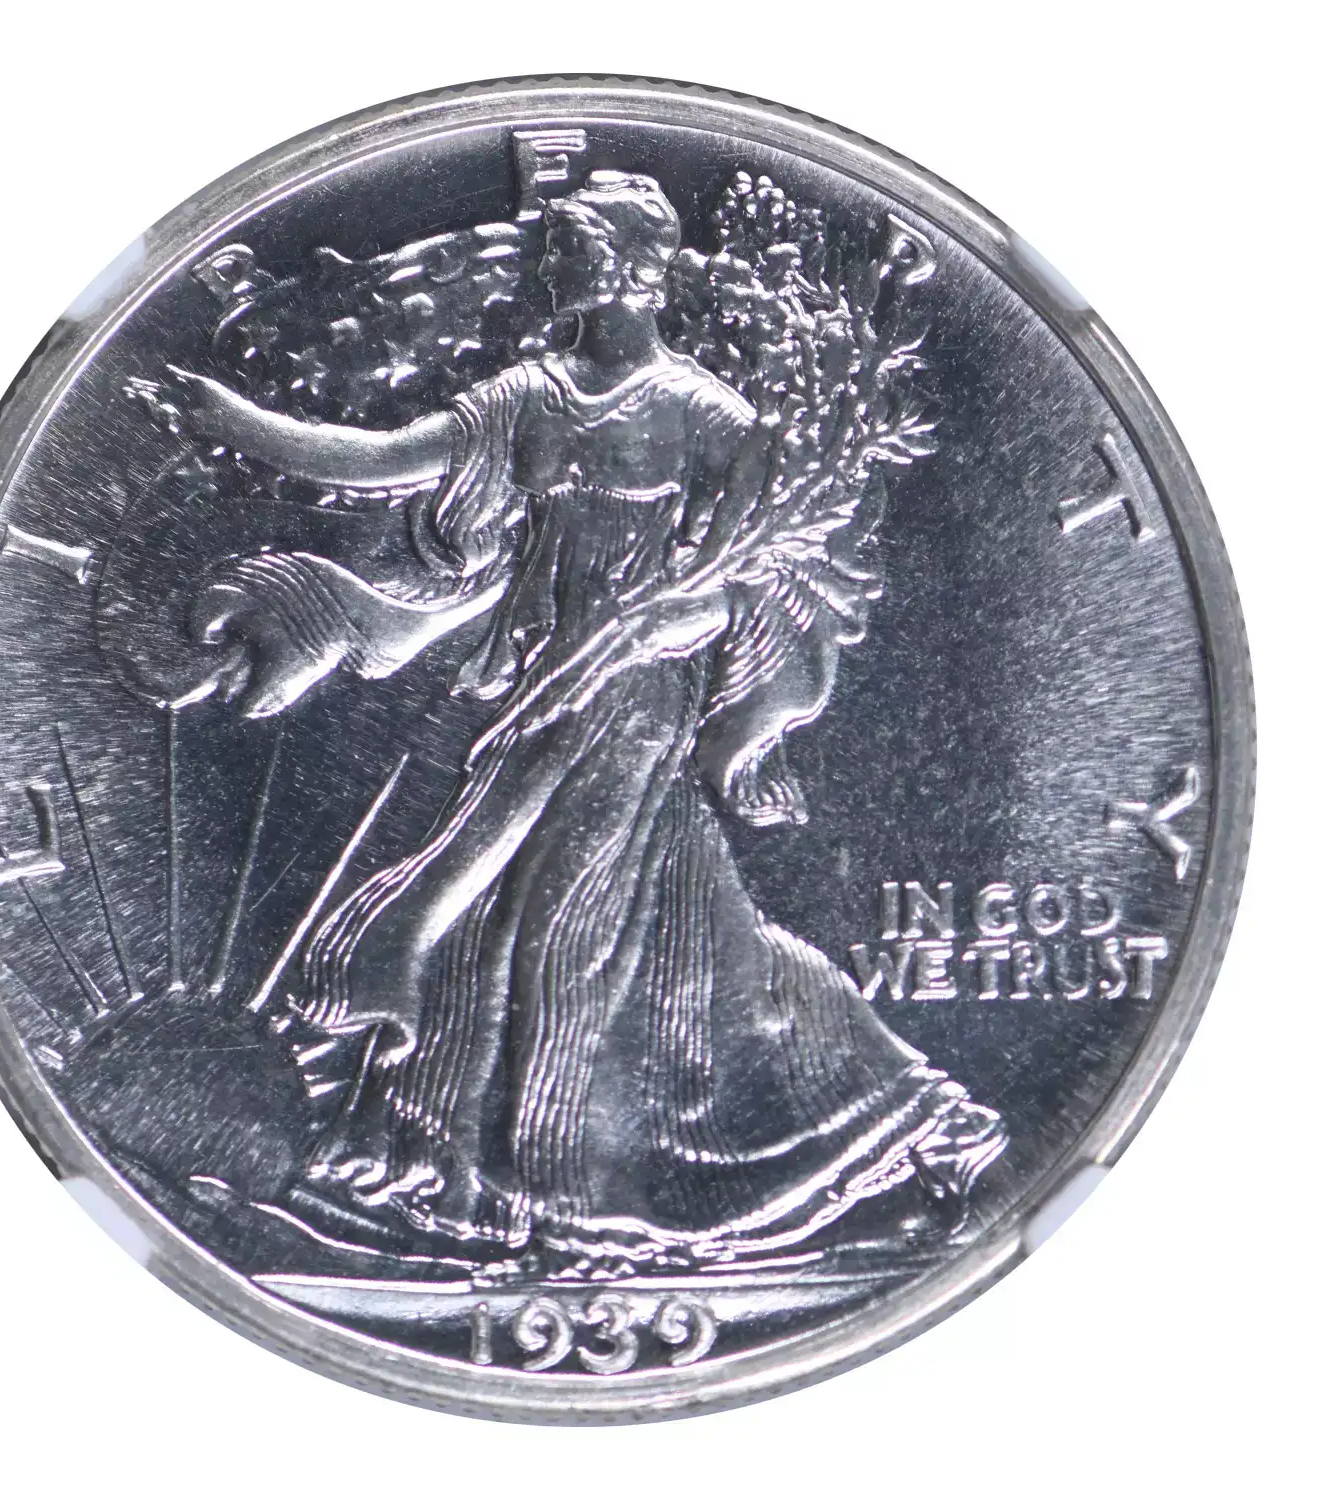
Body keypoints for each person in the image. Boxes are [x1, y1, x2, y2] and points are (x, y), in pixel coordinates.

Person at [162, 171, 1005, 1270]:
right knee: (518, 922)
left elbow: (756, 575)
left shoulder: (705, 414)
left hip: (634, 704)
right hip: (536, 687)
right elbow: (386, 461)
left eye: (562, 248)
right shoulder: (528, 395)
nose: (546, 265)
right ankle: (457, 1179)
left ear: (618, 268)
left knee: (566, 934)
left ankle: (561, 1197)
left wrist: (687, 620)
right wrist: (238, 423)